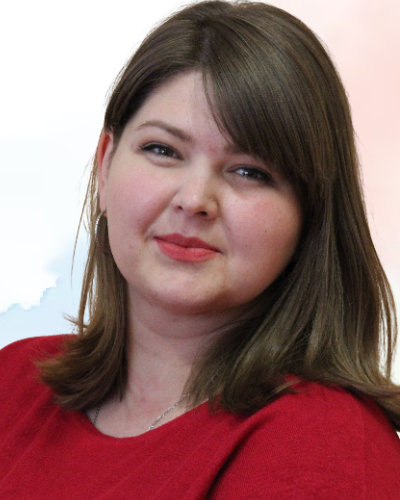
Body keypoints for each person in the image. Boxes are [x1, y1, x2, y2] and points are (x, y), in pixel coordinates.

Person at [1, 1, 399, 497]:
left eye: (250, 171)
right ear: (105, 164)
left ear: (311, 213)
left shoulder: (323, 445)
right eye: (163, 150)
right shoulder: (13, 381)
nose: (193, 201)